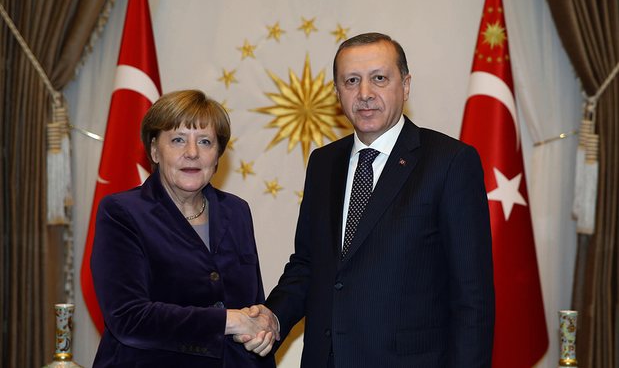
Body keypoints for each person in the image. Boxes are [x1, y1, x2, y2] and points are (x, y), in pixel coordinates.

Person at [239, 32, 495, 367]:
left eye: (379, 78)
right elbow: (309, 264)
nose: (365, 94)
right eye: (351, 81)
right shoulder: (323, 163)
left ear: (405, 85)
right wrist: (274, 316)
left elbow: (472, 297)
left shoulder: (449, 162)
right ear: (336, 92)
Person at [91, 90, 277, 367]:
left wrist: (263, 325)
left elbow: (250, 304)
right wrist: (229, 320)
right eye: (178, 140)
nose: (192, 153)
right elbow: (128, 317)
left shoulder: (236, 211)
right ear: (154, 150)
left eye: (205, 142)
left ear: (217, 156)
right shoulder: (122, 212)